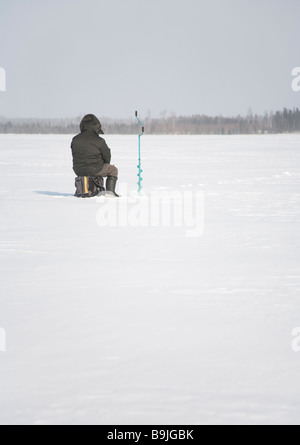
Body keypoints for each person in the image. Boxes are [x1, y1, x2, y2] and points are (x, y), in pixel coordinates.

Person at [71, 114, 119, 196]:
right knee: (113, 170)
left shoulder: (75, 139)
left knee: (91, 170)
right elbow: (107, 157)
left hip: (78, 170)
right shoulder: (99, 141)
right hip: (95, 169)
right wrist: (104, 164)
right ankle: (110, 193)